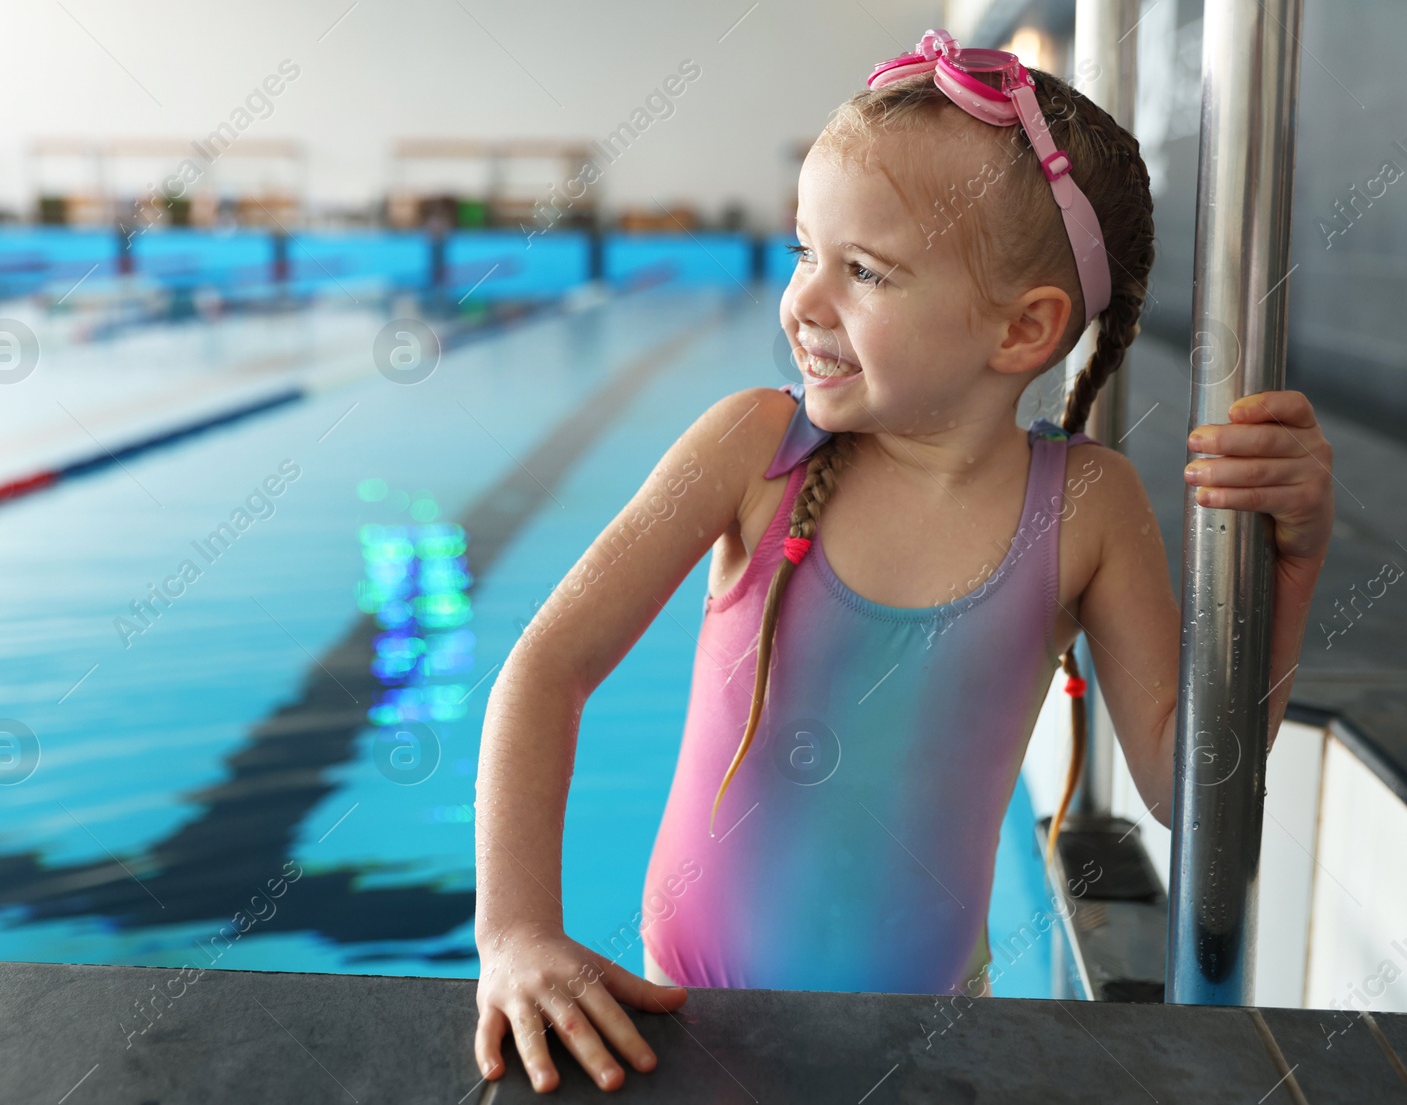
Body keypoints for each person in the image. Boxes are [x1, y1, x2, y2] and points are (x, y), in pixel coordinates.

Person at [472, 28, 1334, 1095]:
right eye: (803, 251)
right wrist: (513, 932)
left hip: (928, 1034)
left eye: (864, 270)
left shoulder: (1085, 505)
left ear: (1022, 330)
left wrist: (1284, 575)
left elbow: (1181, 783)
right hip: (689, 1014)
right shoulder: (755, 448)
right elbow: (544, 668)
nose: (804, 301)